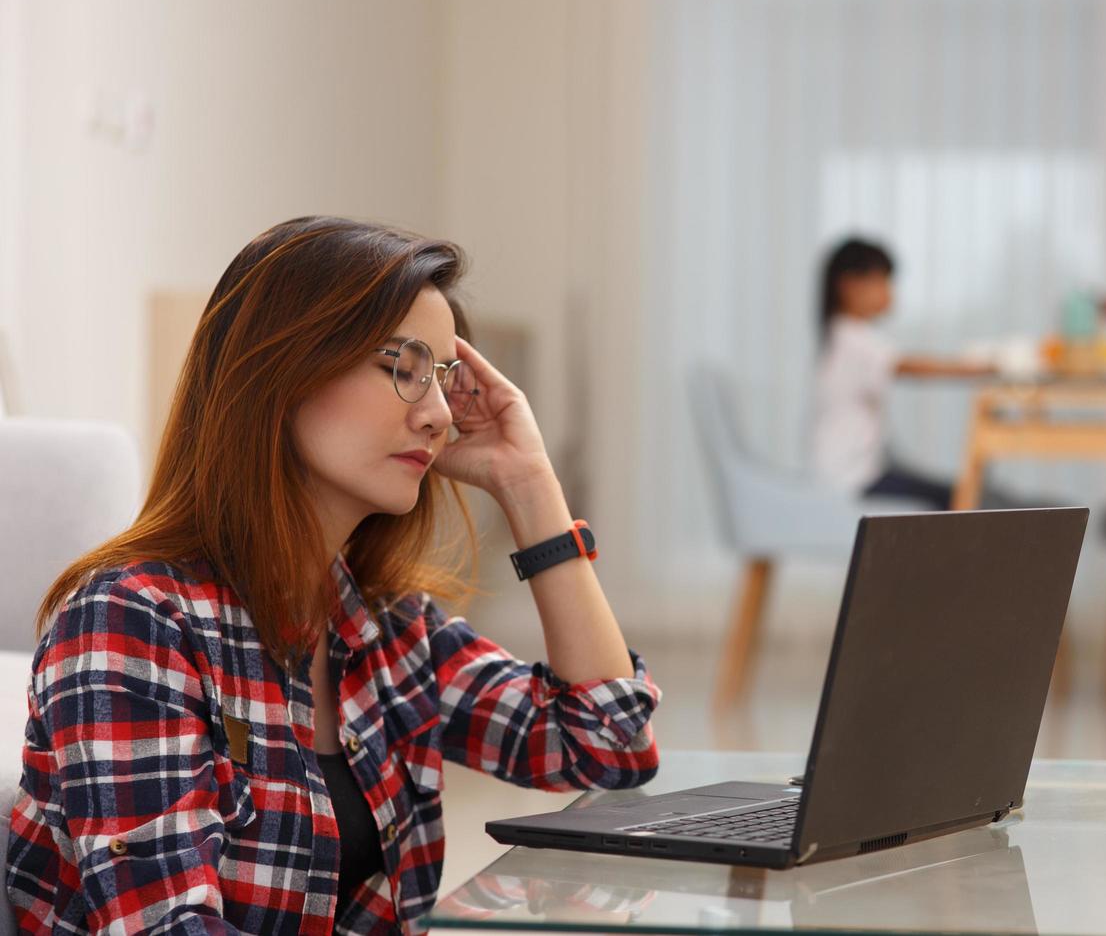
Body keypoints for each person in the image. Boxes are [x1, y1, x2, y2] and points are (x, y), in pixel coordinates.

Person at [6, 217, 660, 932]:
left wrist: (531, 484)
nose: (440, 414)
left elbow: (607, 750)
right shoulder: (129, 622)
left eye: (444, 379)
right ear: (284, 369)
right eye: (406, 367)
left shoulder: (385, 625)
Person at [809, 237, 988, 511]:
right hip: (854, 480)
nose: (889, 293)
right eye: (881, 282)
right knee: (957, 499)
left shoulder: (844, 336)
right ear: (848, 285)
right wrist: (978, 367)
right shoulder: (853, 340)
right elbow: (911, 368)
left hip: (855, 473)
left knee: (956, 493)